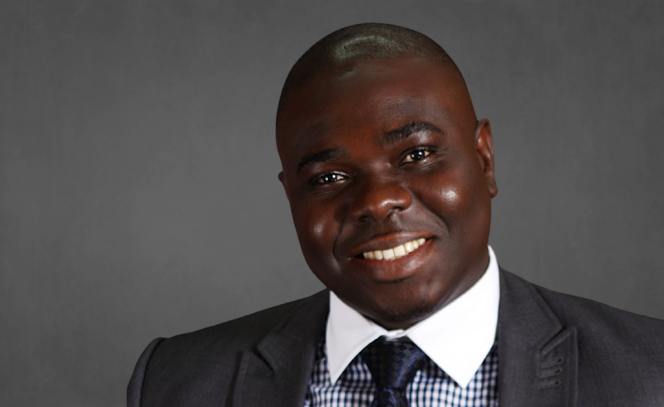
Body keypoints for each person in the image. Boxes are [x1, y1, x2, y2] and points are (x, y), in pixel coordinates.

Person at [127, 23, 664, 407]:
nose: (377, 201)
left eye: (417, 154)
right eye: (328, 178)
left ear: (484, 159)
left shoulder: (650, 373)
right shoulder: (176, 382)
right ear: (291, 196)